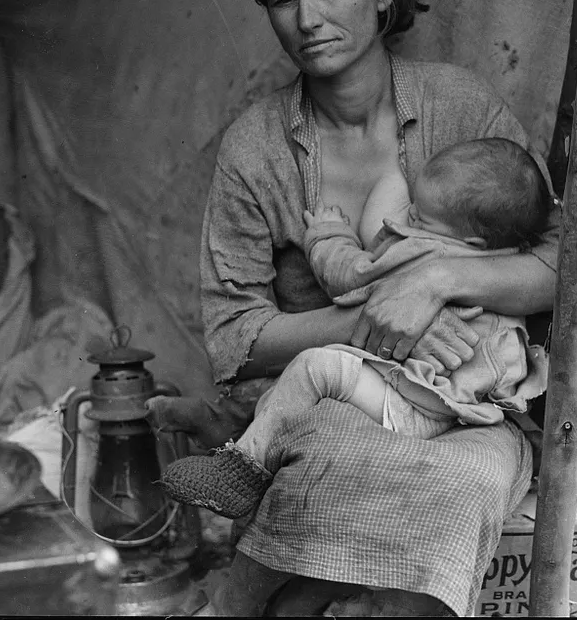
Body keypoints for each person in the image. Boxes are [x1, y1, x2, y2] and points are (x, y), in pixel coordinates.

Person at [149, 0, 561, 616]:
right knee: (332, 462)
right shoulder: (257, 147)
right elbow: (234, 341)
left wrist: (434, 280)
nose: (308, 18)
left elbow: (563, 267)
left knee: (457, 494)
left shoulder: (461, 108)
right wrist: (375, 319)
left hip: (472, 409)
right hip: (339, 399)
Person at [162, 138, 552, 520]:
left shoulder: (424, 251)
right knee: (305, 389)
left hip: (420, 405)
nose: (406, 217)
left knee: (315, 369)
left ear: (469, 240)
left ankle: (241, 471)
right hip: (460, 399)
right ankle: (232, 425)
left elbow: (350, 276)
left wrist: (329, 234)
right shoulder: (504, 260)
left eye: (418, 217)